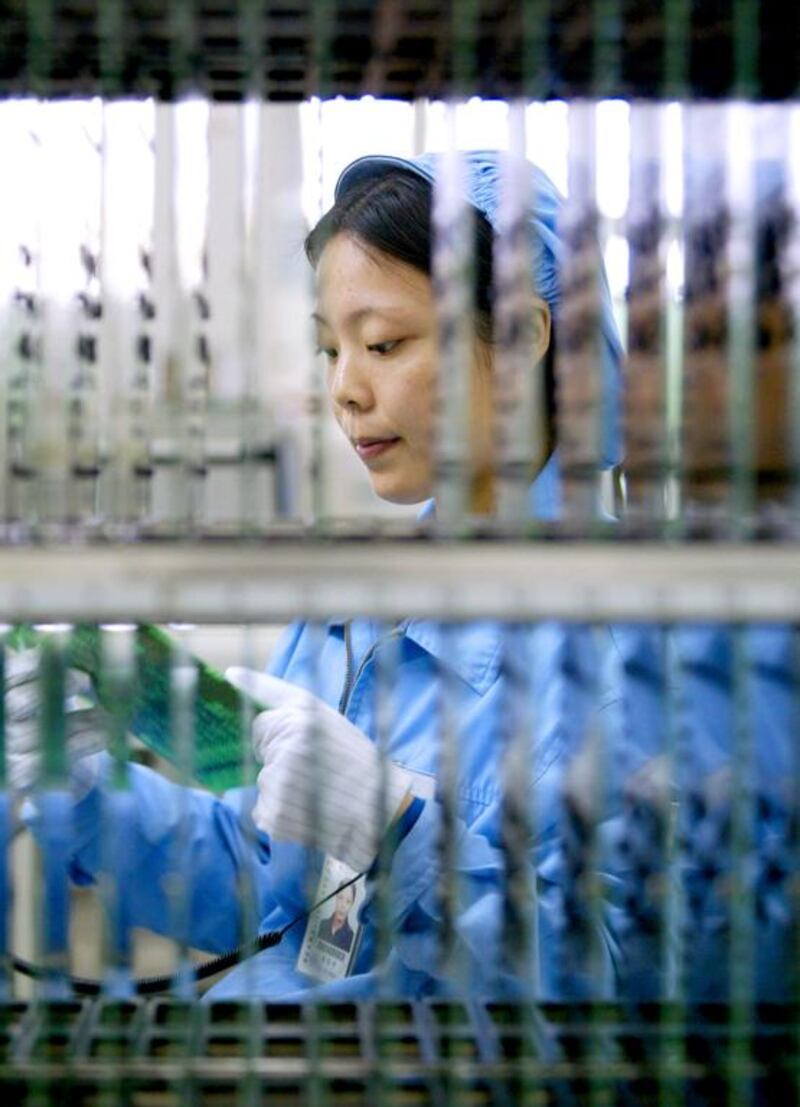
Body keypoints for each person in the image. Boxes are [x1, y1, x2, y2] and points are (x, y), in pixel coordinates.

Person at [14, 148, 767, 1005]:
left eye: (383, 343)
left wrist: (400, 835)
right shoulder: (358, 615)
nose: (345, 388)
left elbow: (624, 979)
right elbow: (271, 886)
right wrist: (73, 781)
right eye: (331, 349)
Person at [317, 885, 356, 954]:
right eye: (340, 898)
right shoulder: (322, 924)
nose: (343, 905)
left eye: (348, 901)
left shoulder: (351, 937)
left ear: (352, 905)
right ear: (336, 897)